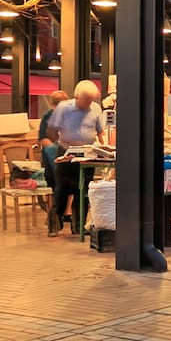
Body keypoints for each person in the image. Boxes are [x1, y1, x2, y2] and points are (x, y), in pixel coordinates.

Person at [45, 81, 107, 236]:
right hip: (66, 152)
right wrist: (58, 144)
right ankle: (54, 224)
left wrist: (104, 147)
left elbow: (101, 131)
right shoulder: (63, 108)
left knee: (84, 190)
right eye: (85, 100)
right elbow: (51, 130)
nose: (88, 104)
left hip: (87, 154)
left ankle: (78, 227)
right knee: (61, 190)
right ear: (77, 97)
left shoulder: (96, 109)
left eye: (91, 100)